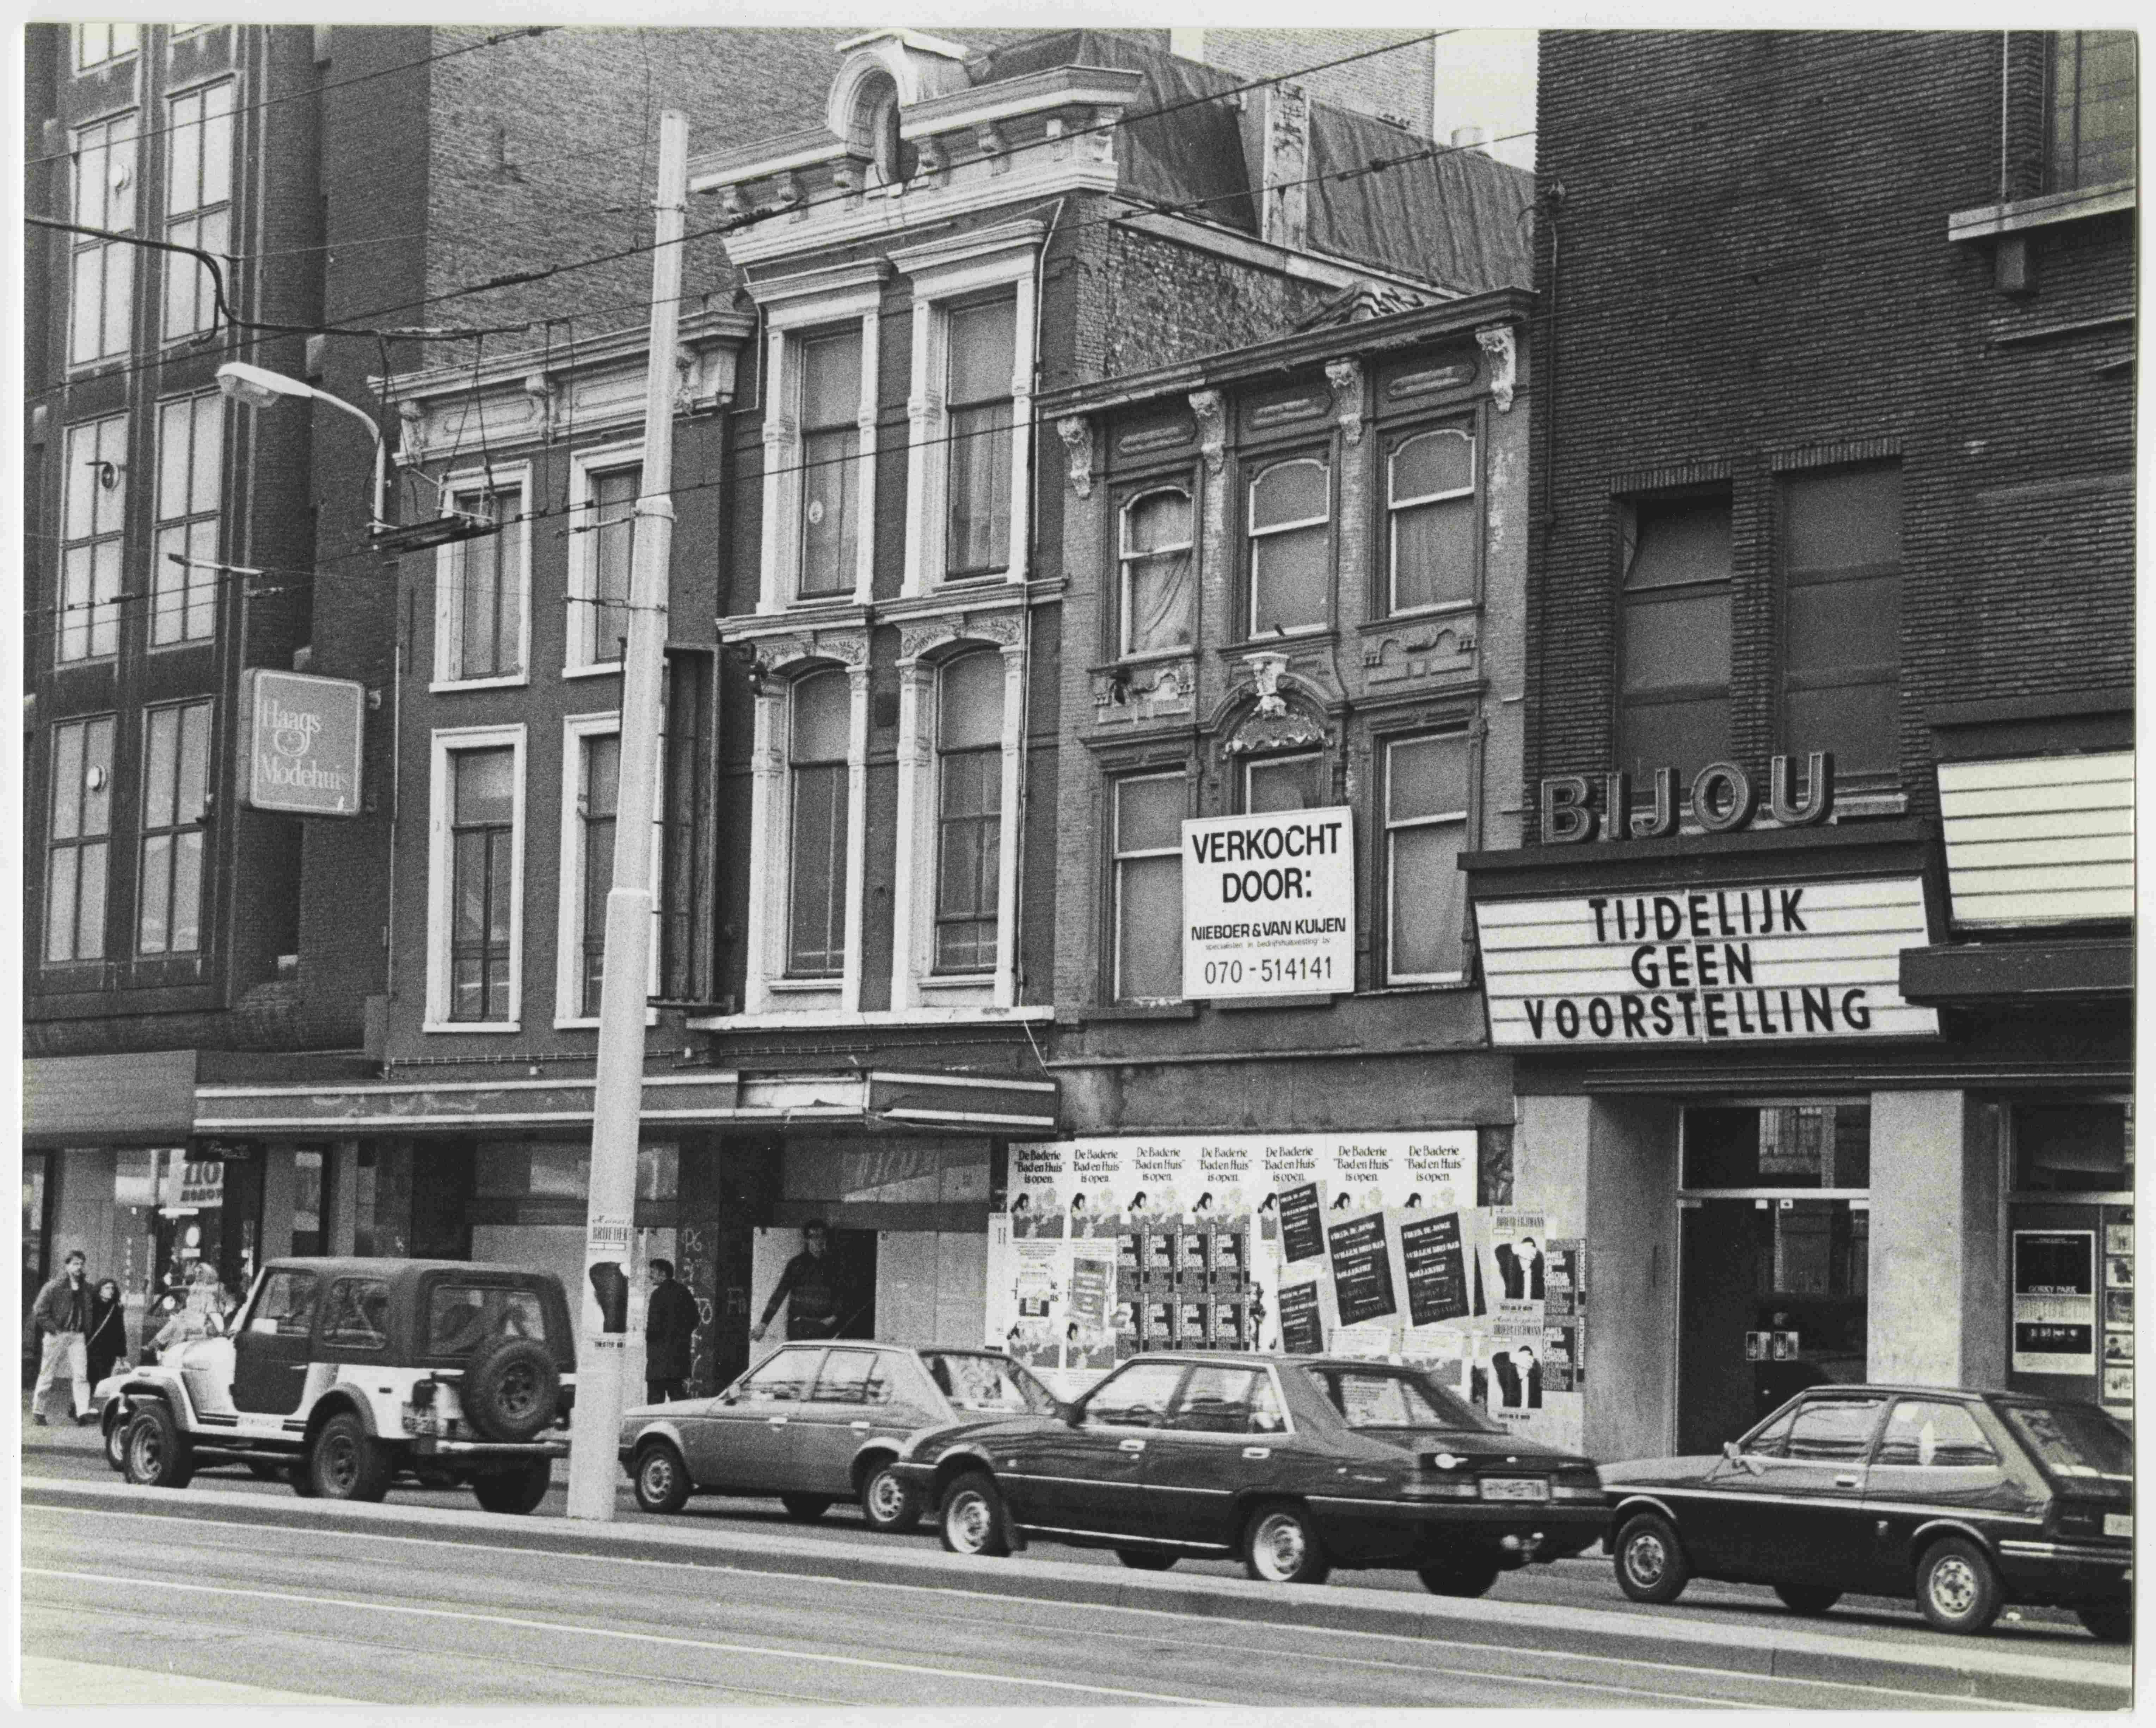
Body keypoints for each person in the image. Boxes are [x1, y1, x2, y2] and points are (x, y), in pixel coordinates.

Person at [30, 1249, 94, 1426]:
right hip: (57, 1334)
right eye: (75, 1264)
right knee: (47, 1373)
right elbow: (39, 1310)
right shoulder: (54, 1286)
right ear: (67, 1266)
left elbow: (97, 1303)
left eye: (81, 1264)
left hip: (77, 1336)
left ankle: (82, 1412)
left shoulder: (86, 1288)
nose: (79, 1267)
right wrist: (52, 1328)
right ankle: (38, 1411)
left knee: (81, 1375)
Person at [751, 1220, 842, 1342]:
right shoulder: (796, 1264)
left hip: (824, 1327)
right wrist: (764, 1323)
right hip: (800, 1327)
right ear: (807, 1240)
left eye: (822, 1236)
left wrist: (835, 1316)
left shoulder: (833, 1265)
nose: (818, 1241)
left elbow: (840, 1294)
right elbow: (780, 1294)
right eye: (813, 1237)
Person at [644, 1258, 698, 1403]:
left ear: (663, 1274)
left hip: (658, 1359)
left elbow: (653, 1328)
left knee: (655, 1402)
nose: (650, 1276)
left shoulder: (657, 1295)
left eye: (653, 1272)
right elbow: (695, 1319)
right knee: (677, 1396)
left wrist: (650, 1341)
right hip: (678, 1358)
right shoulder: (684, 1291)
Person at [85, 1279, 128, 1389]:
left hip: (109, 1351)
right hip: (91, 1348)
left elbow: (120, 1332)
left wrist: (122, 1355)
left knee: (104, 1380)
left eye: (113, 1288)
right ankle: (83, 1403)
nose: (111, 1291)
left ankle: (98, 1404)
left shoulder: (116, 1308)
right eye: (107, 1288)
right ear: (99, 1290)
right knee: (88, 1378)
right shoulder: (91, 1306)